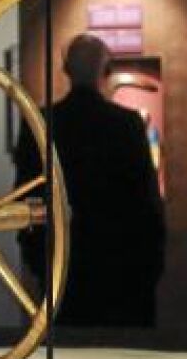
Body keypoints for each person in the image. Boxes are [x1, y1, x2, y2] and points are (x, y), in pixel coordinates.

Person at [14, 33, 165, 326]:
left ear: (66, 69)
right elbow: (147, 203)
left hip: (62, 266)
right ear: (105, 70)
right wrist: (150, 266)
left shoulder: (42, 124)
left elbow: (25, 201)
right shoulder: (127, 125)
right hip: (122, 268)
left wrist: (39, 261)